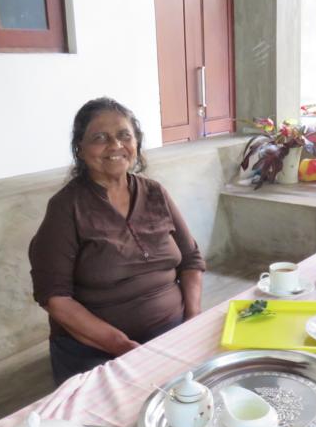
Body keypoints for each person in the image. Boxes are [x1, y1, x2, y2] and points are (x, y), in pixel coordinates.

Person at [29, 97, 205, 386]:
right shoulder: (66, 207)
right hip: (98, 350)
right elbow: (55, 298)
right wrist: (122, 346)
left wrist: (193, 320)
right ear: (80, 148)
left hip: (172, 333)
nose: (115, 145)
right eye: (100, 138)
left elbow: (191, 260)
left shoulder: (154, 192)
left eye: (125, 135)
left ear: (136, 143)